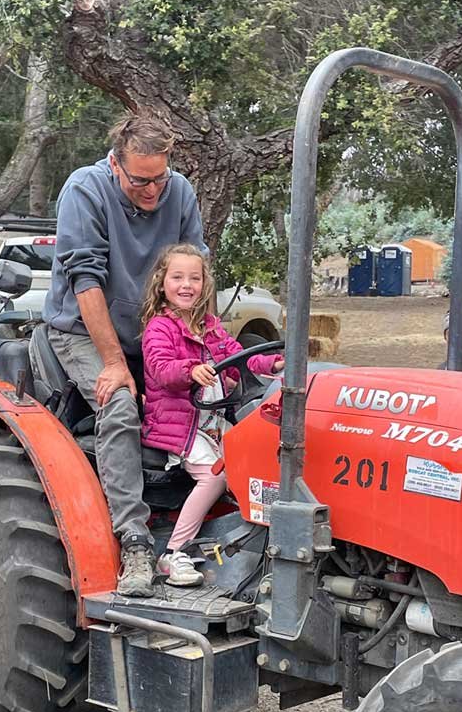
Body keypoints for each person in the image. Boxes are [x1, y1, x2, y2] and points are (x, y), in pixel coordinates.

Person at [33, 113, 206, 598]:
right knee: (121, 404)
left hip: (151, 331)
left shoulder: (180, 193)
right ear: (115, 165)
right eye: (140, 181)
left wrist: (201, 346)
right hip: (85, 332)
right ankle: (133, 539)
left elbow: (193, 272)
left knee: (216, 396)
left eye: (160, 178)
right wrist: (114, 362)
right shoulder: (85, 189)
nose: (152, 191)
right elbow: (84, 279)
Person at [141, 245, 284, 586]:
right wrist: (190, 371)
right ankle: (173, 554)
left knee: (260, 460)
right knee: (215, 476)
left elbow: (240, 356)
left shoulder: (211, 327)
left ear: (205, 284)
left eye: (195, 277)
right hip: (178, 426)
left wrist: (272, 363)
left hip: (212, 422)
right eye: (177, 277)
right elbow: (162, 369)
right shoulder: (159, 328)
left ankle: (257, 547)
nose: (186, 285)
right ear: (163, 283)